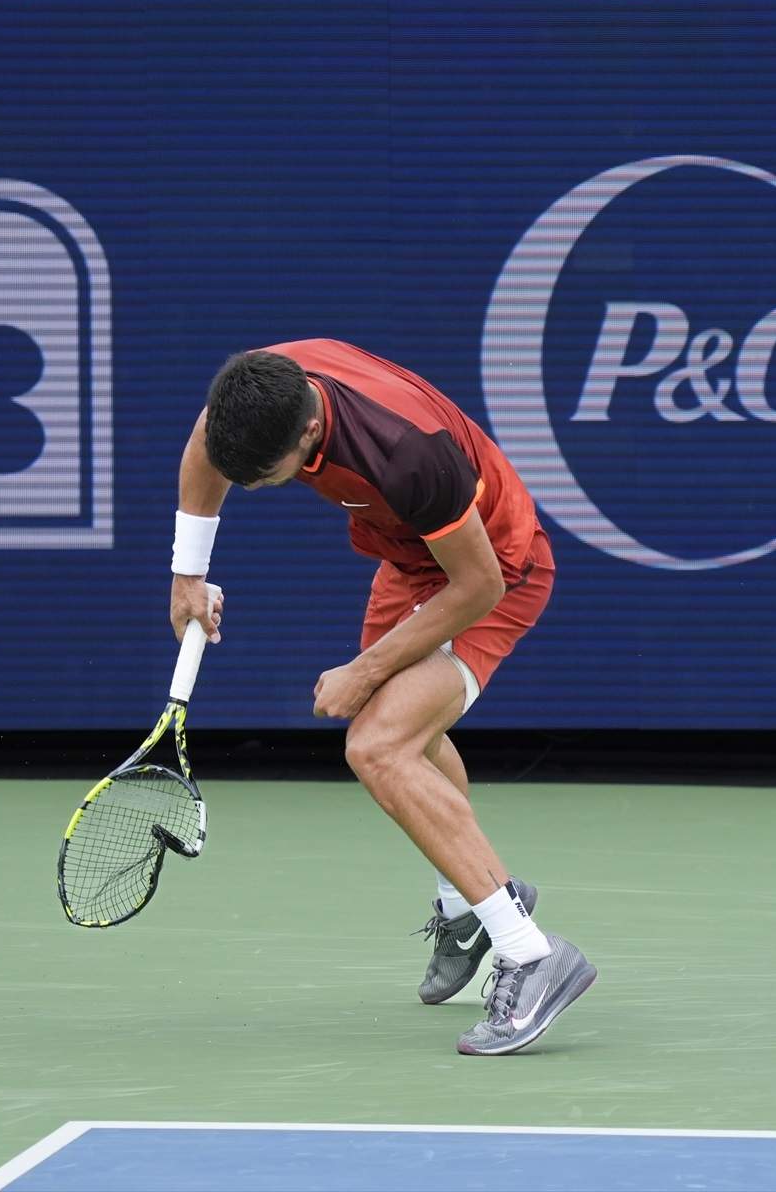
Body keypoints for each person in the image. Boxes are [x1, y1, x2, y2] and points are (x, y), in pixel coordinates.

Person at [170, 340, 596, 1056]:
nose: (246, 485)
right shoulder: (259, 387)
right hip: (410, 557)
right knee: (411, 738)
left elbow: (479, 586)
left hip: (492, 573)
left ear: (308, 433)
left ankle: (530, 953)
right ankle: (471, 907)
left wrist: (364, 671)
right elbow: (206, 446)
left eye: (262, 476)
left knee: (376, 743)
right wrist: (188, 576)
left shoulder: (406, 454)